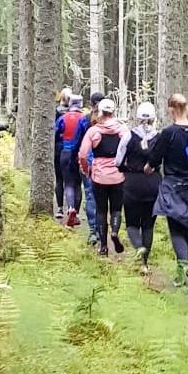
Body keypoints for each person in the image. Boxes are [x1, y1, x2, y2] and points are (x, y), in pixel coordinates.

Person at [149, 94, 188, 289]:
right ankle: (183, 272)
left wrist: (148, 167)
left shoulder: (169, 132)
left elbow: (155, 158)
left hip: (174, 185)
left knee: (176, 229)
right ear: (186, 107)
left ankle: (185, 266)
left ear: (171, 109)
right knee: (186, 227)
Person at [79, 98, 128, 256]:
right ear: (113, 111)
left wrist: (87, 170)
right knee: (116, 209)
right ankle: (114, 232)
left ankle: (103, 247)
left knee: (101, 210)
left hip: (99, 176)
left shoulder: (93, 131)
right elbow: (130, 148)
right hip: (118, 176)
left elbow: (83, 155)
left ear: (100, 112)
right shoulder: (122, 130)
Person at [117, 101, 162, 272]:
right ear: (153, 118)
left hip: (132, 183)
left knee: (132, 224)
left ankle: (138, 249)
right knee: (148, 225)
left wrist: (126, 170)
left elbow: (118, 161)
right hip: (153, 184)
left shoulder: (128, 136)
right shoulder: (159, 138)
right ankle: (145, 263)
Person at [56, 95, 86, 227]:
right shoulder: (85, 119)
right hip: (80, 153)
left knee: (67, 183)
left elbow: (56, 133)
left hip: (65, 152)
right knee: (77, 184)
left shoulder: (63, 118)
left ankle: (70, 208)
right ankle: (77, 214)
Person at [82, 92, 105, 244]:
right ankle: (102, 231)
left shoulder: (85, 120)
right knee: (103, 199)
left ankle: (93, 231)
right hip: (106, 166)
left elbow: (80, 142)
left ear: (91, 103)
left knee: (90, 196)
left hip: (89, 164)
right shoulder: (111, 121)